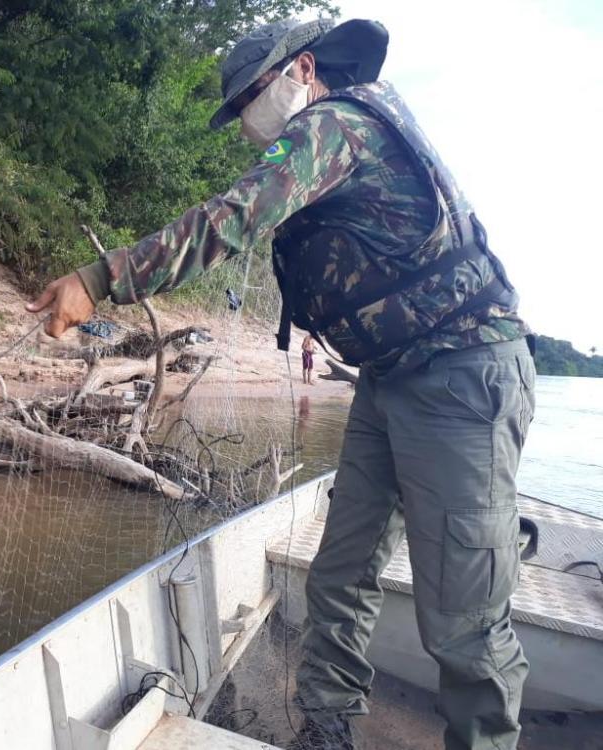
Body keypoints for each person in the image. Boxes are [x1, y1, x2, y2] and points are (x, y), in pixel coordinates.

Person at [26, 17, 535, 750]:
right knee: (340, 573)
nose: (244, 123)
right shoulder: (327, 135)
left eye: (249, 100)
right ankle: (328, 730)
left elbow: (232, 219)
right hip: (388, 382)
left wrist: (103, 277)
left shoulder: (335, 126)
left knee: (463, 617)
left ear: (299, 69)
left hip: (464, 376)